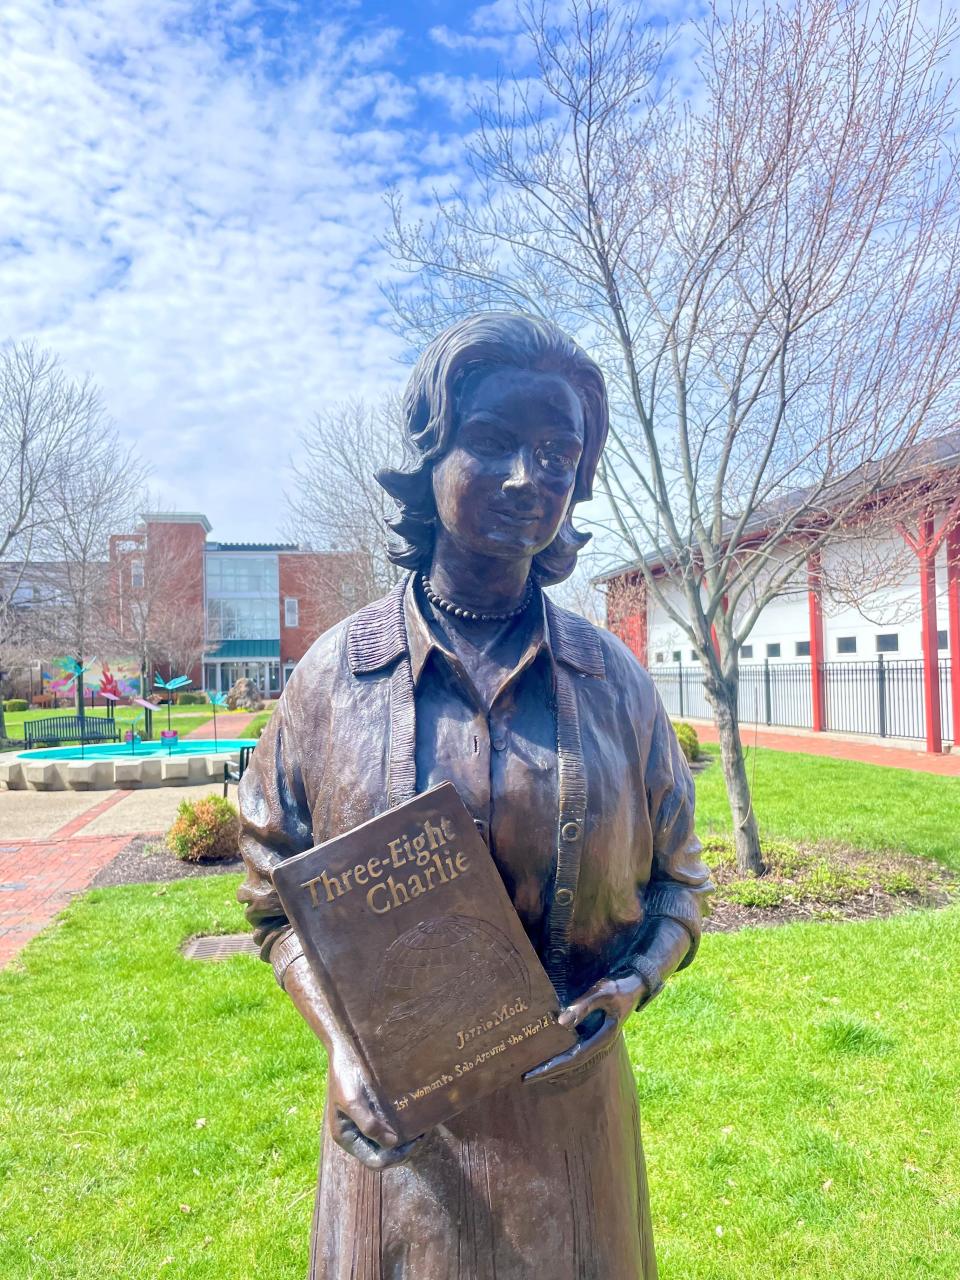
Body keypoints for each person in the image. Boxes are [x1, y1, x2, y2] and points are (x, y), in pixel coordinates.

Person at [237, 311, 713, 1279]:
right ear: (430, 456)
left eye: (557, 453)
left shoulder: (614, 682)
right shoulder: (334, 679)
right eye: (492, 441)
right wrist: (343, 1043)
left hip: (572, 1123)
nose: (526, 477)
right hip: (401, 1133)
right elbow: (272, 899)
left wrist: (633, 984)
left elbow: (681, 886)